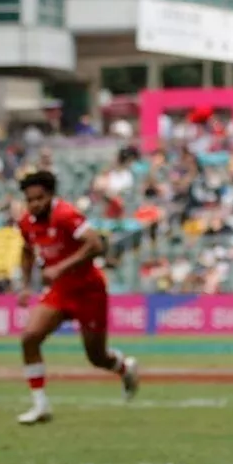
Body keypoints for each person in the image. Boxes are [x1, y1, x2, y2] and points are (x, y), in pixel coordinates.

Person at [14, 171, 140, 425]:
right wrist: (26, 286)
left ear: (50, 196)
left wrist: (61, 267)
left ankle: (124, 367)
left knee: (97, 357)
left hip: (89, 290)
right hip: (60, 291)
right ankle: (40, 405)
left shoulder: (66, 215)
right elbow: (27, 251)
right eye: (30, 200)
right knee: (30, 338)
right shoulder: (27, 222)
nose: (34, 204)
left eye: (39, 198)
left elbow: (95, 245)